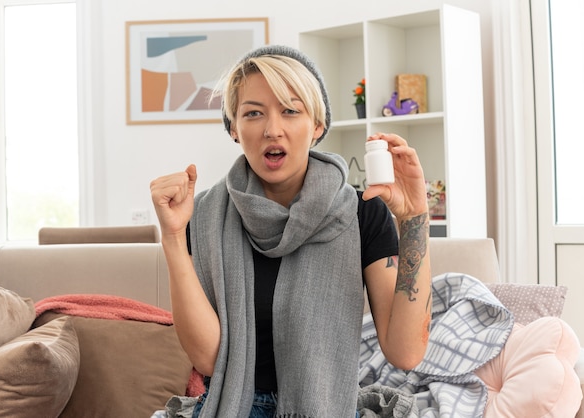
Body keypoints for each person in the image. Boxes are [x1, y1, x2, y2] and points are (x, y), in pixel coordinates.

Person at [150, 45, 432, 418]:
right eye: (253, 113)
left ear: (317, 126)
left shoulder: (363, 212)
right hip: (233, 406)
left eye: (290, 111)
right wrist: (172, 236)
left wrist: (413, 219)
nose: (272, 129)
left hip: (327, 407)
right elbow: (208, 358)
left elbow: (405, 352)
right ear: (234, 128)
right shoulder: (201, 214)